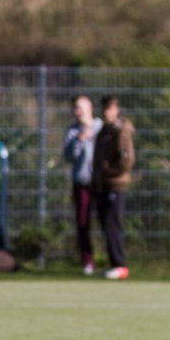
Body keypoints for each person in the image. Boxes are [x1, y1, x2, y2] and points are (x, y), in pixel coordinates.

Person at [91, 95, 135, 280]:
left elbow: (127, 160)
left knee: (112, 225)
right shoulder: (104, 131)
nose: (105, 112)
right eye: (104, 108)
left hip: (116, 185)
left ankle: (120, 265)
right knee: (105, 225)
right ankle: (114, 263)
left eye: (109, 108)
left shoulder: (121, 131)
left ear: (117, 109)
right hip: (103, 185)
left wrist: (108, 171)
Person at [62, 95, 102, 275]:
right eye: (74, 108)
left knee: (107, 221)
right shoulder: (73, 131)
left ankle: (114, 260)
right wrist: (80, 139)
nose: (76, 111)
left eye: (79, 107)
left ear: (89, 107)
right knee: (83, 223)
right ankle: (88, 261)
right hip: (81, 183)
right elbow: (69, 156)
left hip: (101, 183)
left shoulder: (101, 127)